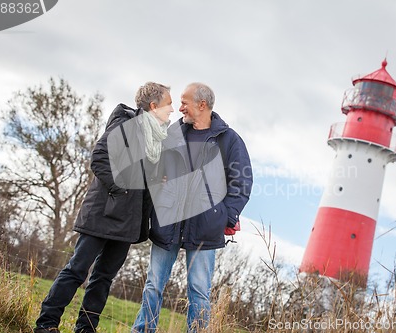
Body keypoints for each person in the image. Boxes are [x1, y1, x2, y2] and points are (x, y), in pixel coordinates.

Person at [34, 82, 173, 333]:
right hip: (103, 213)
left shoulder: (156, 139)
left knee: (103, 279)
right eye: (168, 104)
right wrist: (122, 189)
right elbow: (99, 159)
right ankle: (46, 324)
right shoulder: (128, 125)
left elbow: (139, 176)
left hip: (128, 222)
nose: (172, 110)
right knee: (77, 270)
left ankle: (86, 329)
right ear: (154, 106)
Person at [132, 82, 253, 333]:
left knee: (198, 292)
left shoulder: (229, 140)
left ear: (202, 104)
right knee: (153, 285)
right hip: (168, 223)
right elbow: (154, 166)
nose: (179, 107)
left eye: (185, 102)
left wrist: (225, 217)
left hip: (206, 228)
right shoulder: (173, 133)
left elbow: (241, 181)